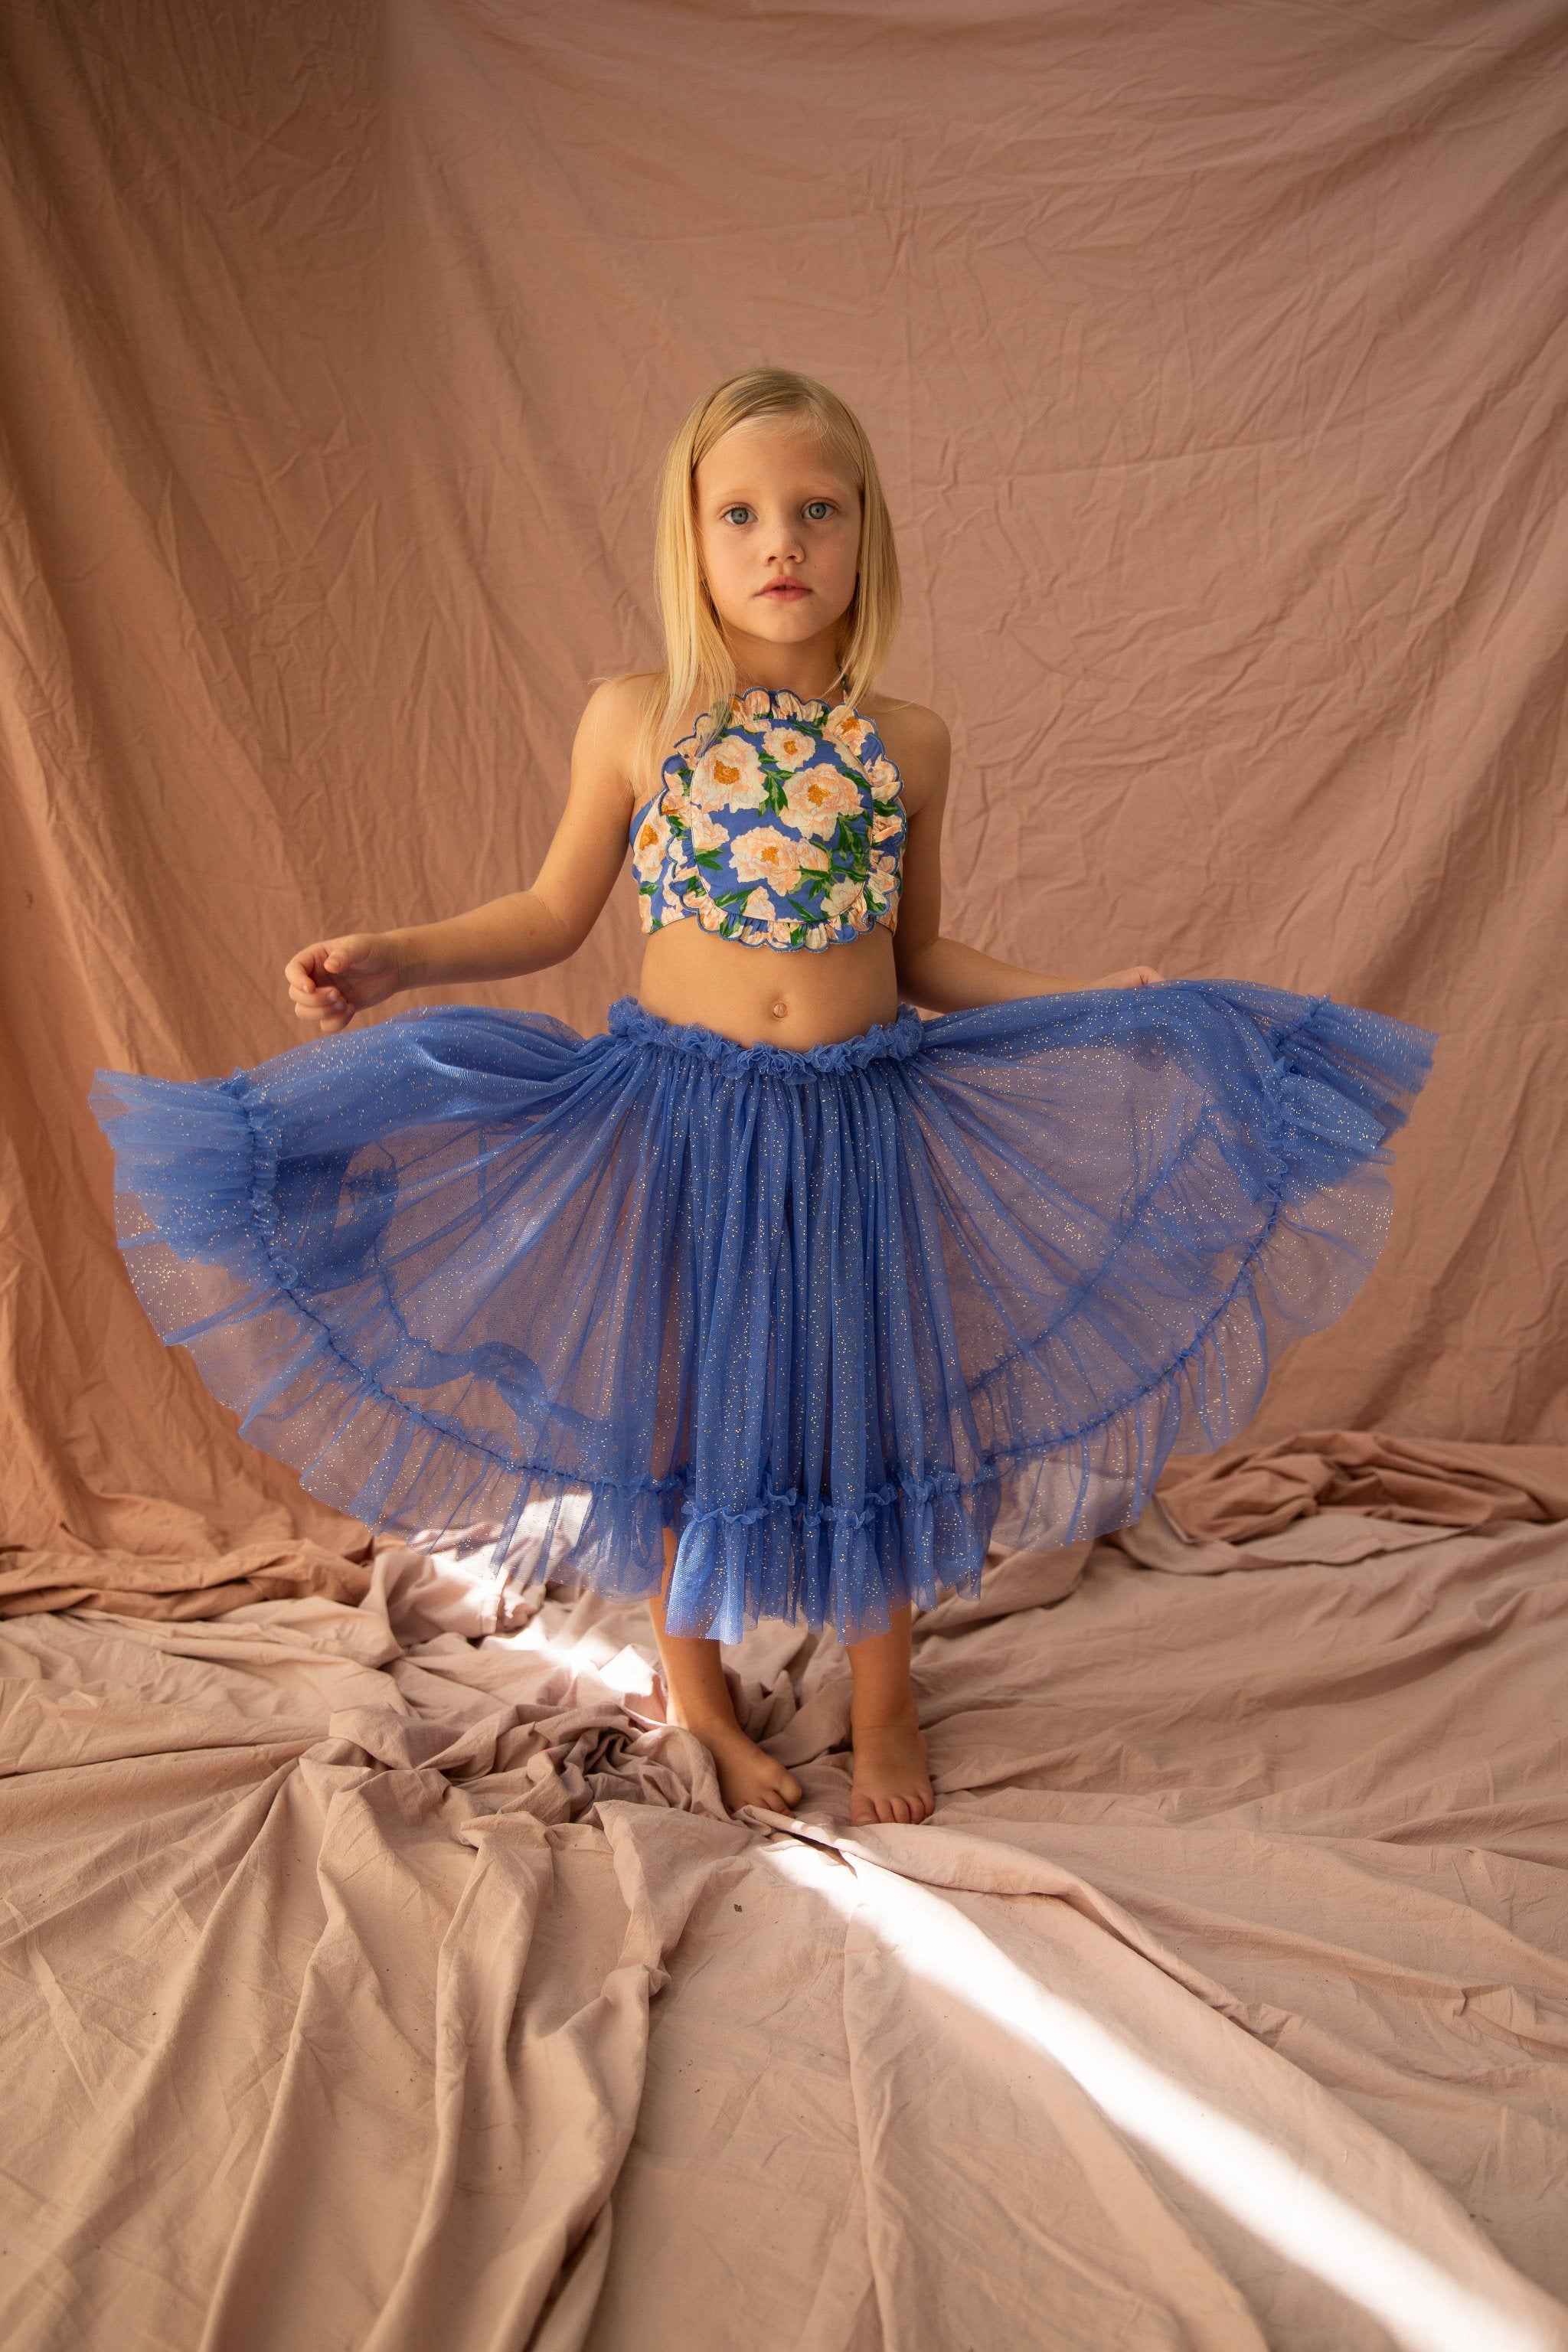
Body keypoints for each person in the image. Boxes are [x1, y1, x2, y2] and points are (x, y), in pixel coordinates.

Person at [90, 367, 1437, 1830]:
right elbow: (550, 912)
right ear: (692, 541)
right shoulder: (643, 717)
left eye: (816, 510)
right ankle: (704, 1698)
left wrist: (1086, 1002)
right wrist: (395, 958)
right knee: (681, 1420)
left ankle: (883, 1694)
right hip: (682, 1125)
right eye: (740, 514)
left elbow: (921, 955)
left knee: (871, 1411)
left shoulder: (905, 741)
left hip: (859, 1127)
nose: (779, 542)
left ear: (867, 539)